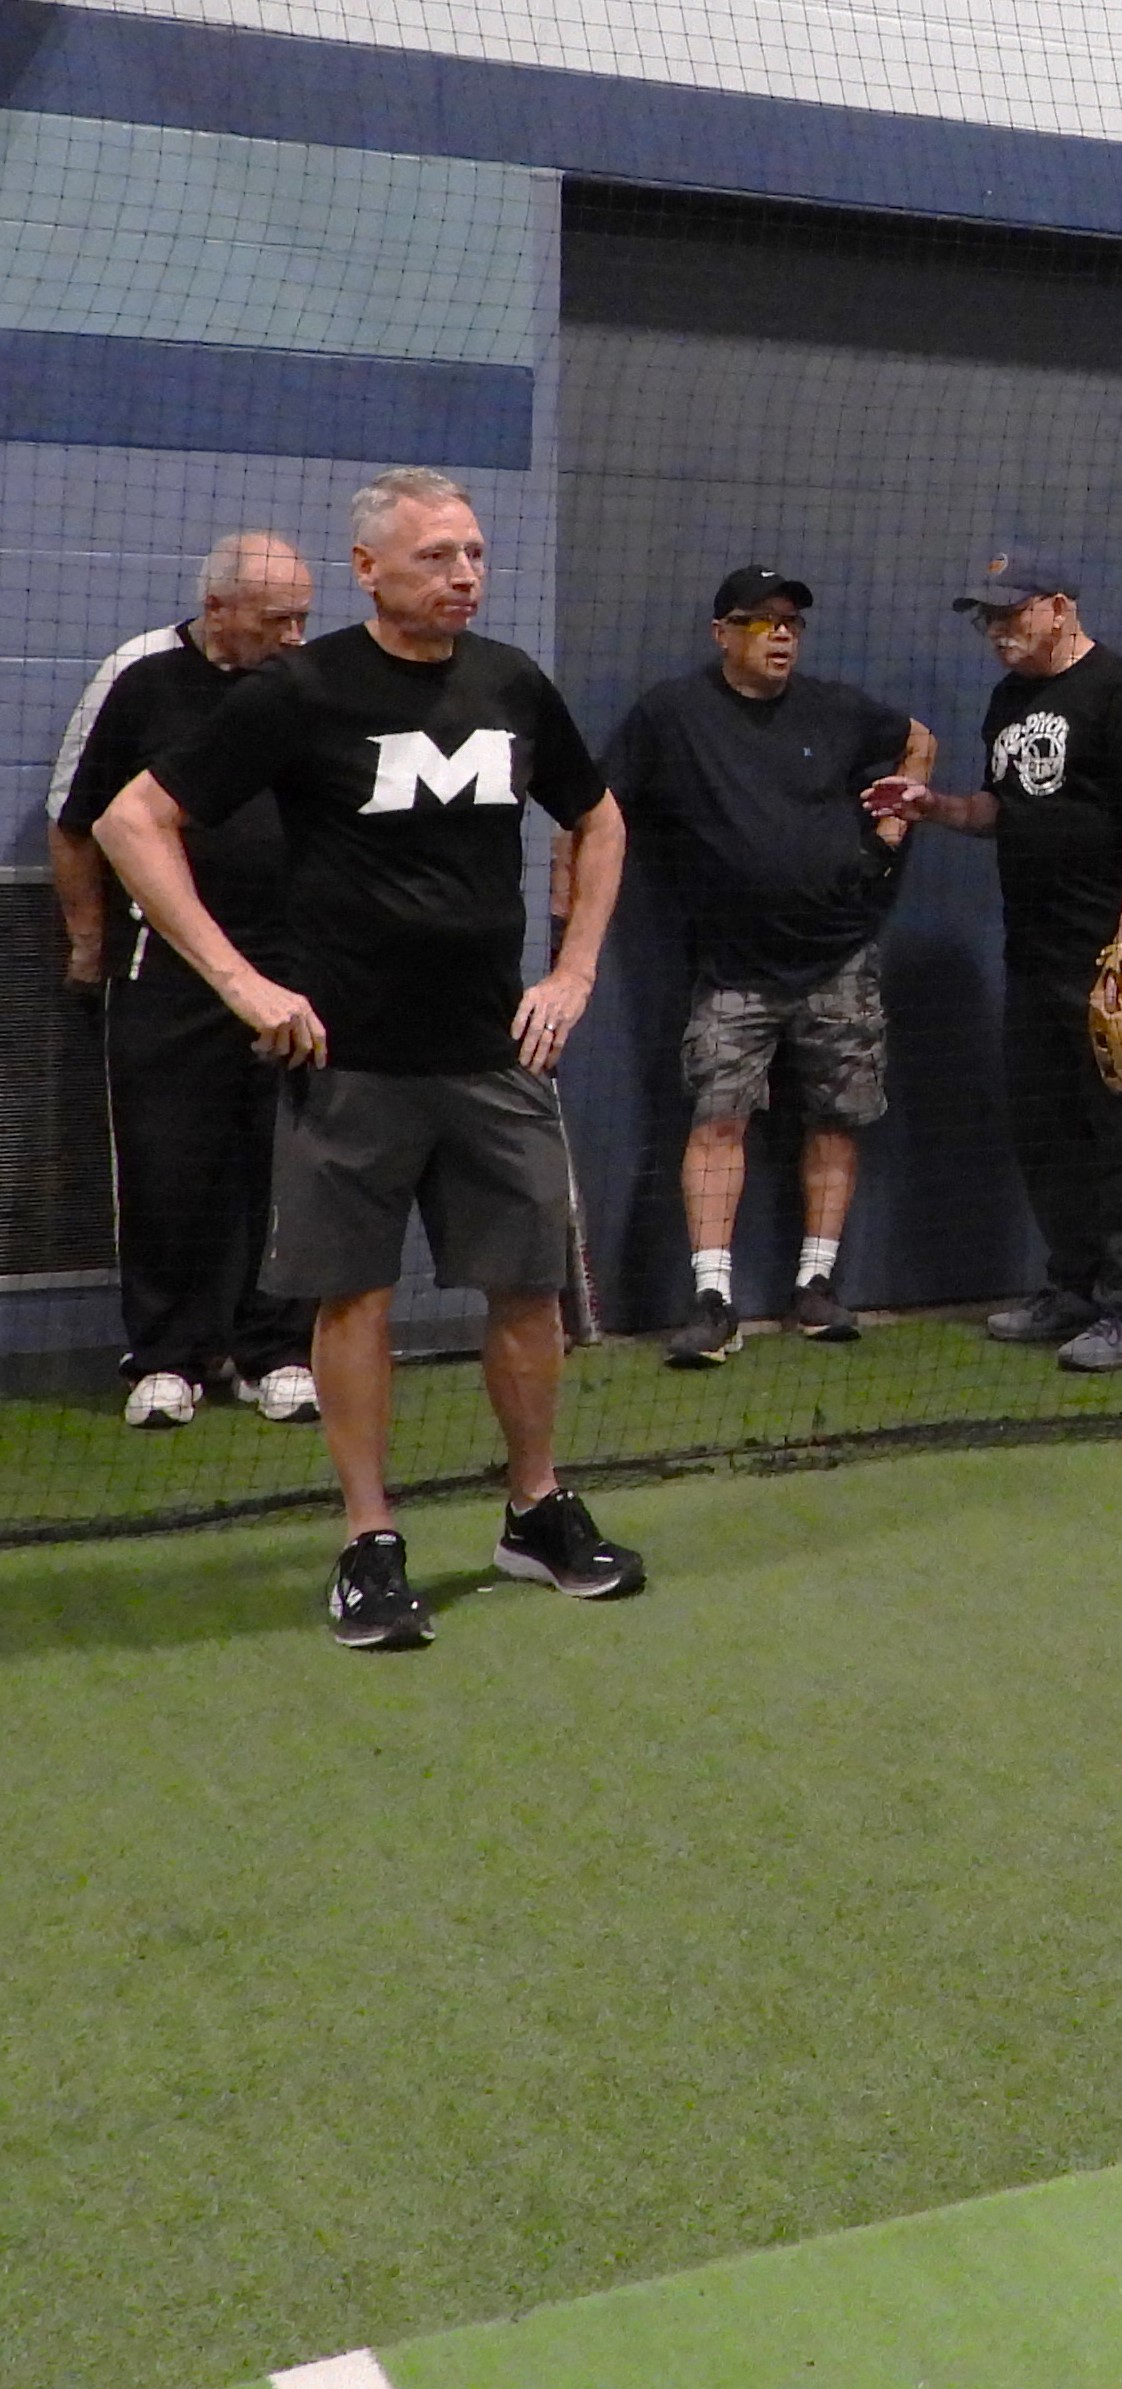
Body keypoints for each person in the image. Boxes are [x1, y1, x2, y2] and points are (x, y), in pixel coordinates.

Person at [91, 466, 646, 1650]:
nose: (464, 575)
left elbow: (598, 820)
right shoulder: (302, 689)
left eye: (475, 553)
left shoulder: (512, 684)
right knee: (356, 1296)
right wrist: (240, 982)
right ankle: (369, 1541)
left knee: (527, 1290)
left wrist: (573, 975)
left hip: (493, 1054)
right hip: (349, 1062)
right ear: (368, 569)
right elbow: (130, 821)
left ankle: (536, 1510)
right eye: (437, 555)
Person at [603, 565, 933, 1366]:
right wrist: (564, 903)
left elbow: (918, 741)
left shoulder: (835, 709)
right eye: (760, 621)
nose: (781, 634)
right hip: (732, 968)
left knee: (837, 1120)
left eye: (792, 623)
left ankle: (816, 1286)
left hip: (839, 955)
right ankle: (713, 1301)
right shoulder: (672, 716)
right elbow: (601, 808)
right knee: (717, 1122)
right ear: (722, 634)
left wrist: (891, 829)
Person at [861, 547, 1122, 1372]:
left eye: (1011, 613)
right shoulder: (1009, 700)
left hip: (1106, 959)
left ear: (1060, 607)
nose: (996, 631)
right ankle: (1071, 1289)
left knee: (1120, 1134)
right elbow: (1003, 810)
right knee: (1046, 1130)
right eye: (987, 618)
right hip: (1032, 954)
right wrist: (934, 805)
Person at [48, 534, 320, 1428]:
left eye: (303, 617)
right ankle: (166, 1359)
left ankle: (275, 1351)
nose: (294, 635)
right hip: (163, 971)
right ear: (217, 610)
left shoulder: (310, 690)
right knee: (165, 1167)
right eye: (276, 619)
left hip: (289, 969)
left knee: (287, 1166)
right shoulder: (144, 684)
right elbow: (79, 822)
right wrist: (88, 944)